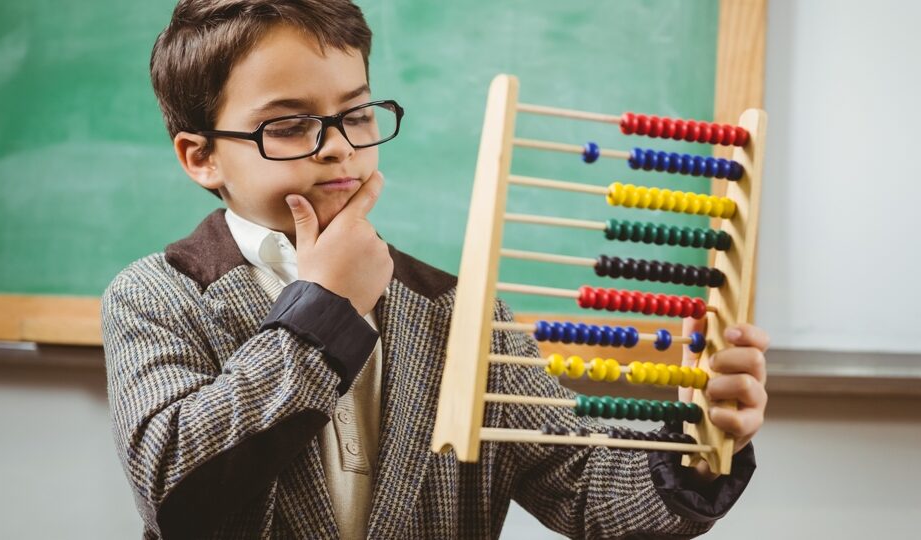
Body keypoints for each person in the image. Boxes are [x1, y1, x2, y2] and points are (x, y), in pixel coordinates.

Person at [101, 1, 770, 538]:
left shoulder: (459, 312)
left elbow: (590, 494)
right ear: (201, 156)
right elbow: (173, 489)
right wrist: (325, 309)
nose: (339, 148)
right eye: (288, 125)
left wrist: (699, 442)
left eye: (357, 113)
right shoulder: (157, 296)